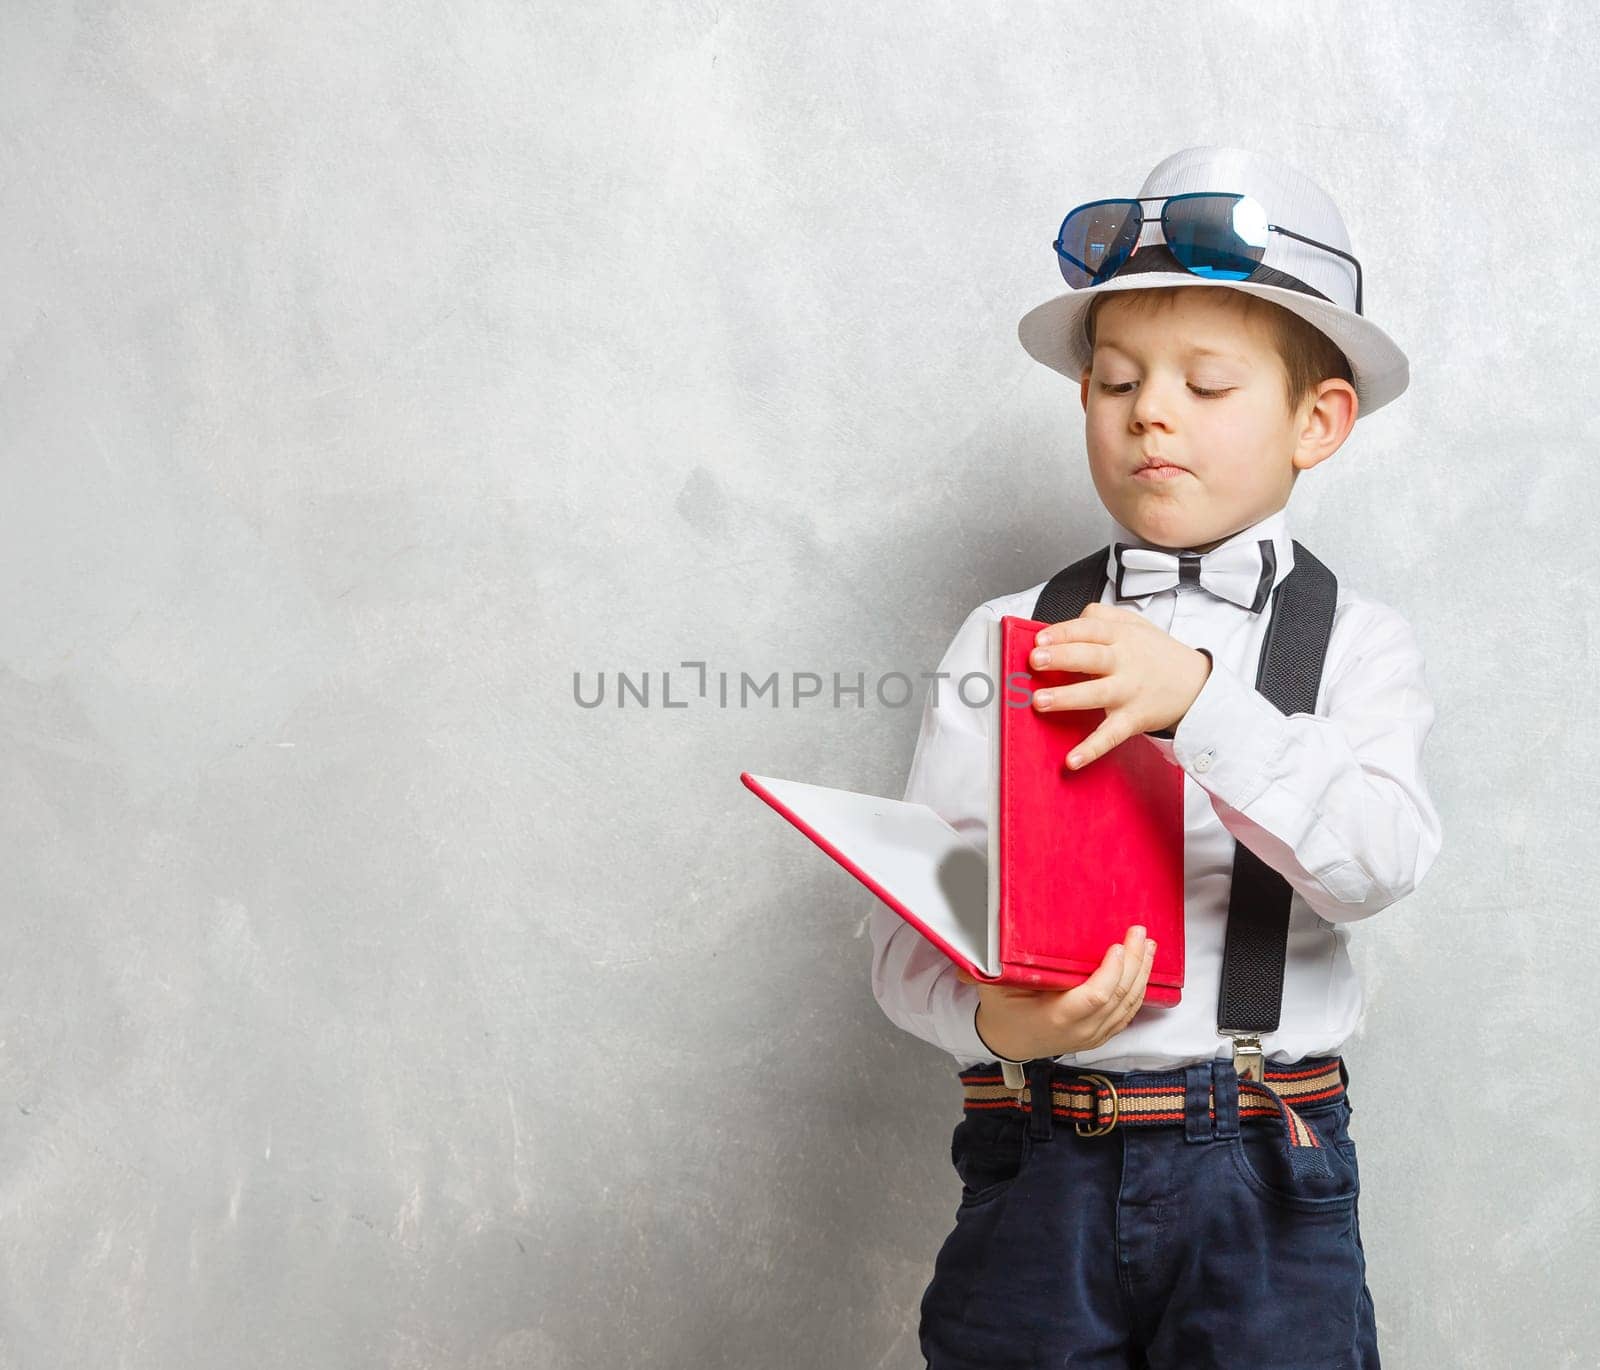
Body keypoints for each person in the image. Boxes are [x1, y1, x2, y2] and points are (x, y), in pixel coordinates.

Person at [868, 145, 1444, 1368]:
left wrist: (1200, 703)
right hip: (1038, 1162)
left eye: (1207, 383)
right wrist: (996, 1019)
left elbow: (1378, 860)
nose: (1152, 412)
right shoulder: (1004, 635)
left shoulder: (1358, 642)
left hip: (1264, 1169)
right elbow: (909, 938)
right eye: (1116, 379)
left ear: (1317, 420)